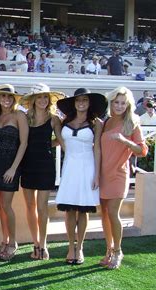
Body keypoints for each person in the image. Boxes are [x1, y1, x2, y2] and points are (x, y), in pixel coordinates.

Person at [55, 88, 107, 264]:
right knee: (69, 210)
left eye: (85, 100)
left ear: (89, 102)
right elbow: (58, 141)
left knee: (83, 210)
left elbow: (98, 148)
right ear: (74, 103)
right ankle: (70, 247)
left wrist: (97, 174)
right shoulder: (65, 122)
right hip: (69, 168)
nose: (81, 103)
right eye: (78, 100)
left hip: (87, 167)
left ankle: (80, 247)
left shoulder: (97, 123)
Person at [100, 87, 148, 269]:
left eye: (123, 103)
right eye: (116, 102)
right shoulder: (106, 122)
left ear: (128, 105)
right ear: (111, 103)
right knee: (104, 213)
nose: (119, 106)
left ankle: (118, 251)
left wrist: (124, 140)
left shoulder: (132, 122)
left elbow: (142, 151)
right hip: (103, 174)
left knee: (113, 213)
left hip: (119, 174)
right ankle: (108, 250)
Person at [20, 83, 65, 260]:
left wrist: (48, 145)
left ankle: (44, 245)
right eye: (39, 96)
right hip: (28, 165)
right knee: (30, 207)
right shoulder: (25, 118)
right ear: (33, 100)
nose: (43, 100)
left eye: (45, 97)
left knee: (42, 207)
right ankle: (35, 244)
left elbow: (61, 140)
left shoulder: (54, 119)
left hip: (45, 165)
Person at [0, 84, 28, 261]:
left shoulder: (19, 115)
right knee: (1, 205)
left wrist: (13, 168)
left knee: (7, 206)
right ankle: (4, 240)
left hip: (11, 166)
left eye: (10, 97)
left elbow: (24, 143)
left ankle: (13, 242)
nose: (6, 100)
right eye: (3, 97)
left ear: (14, 99)